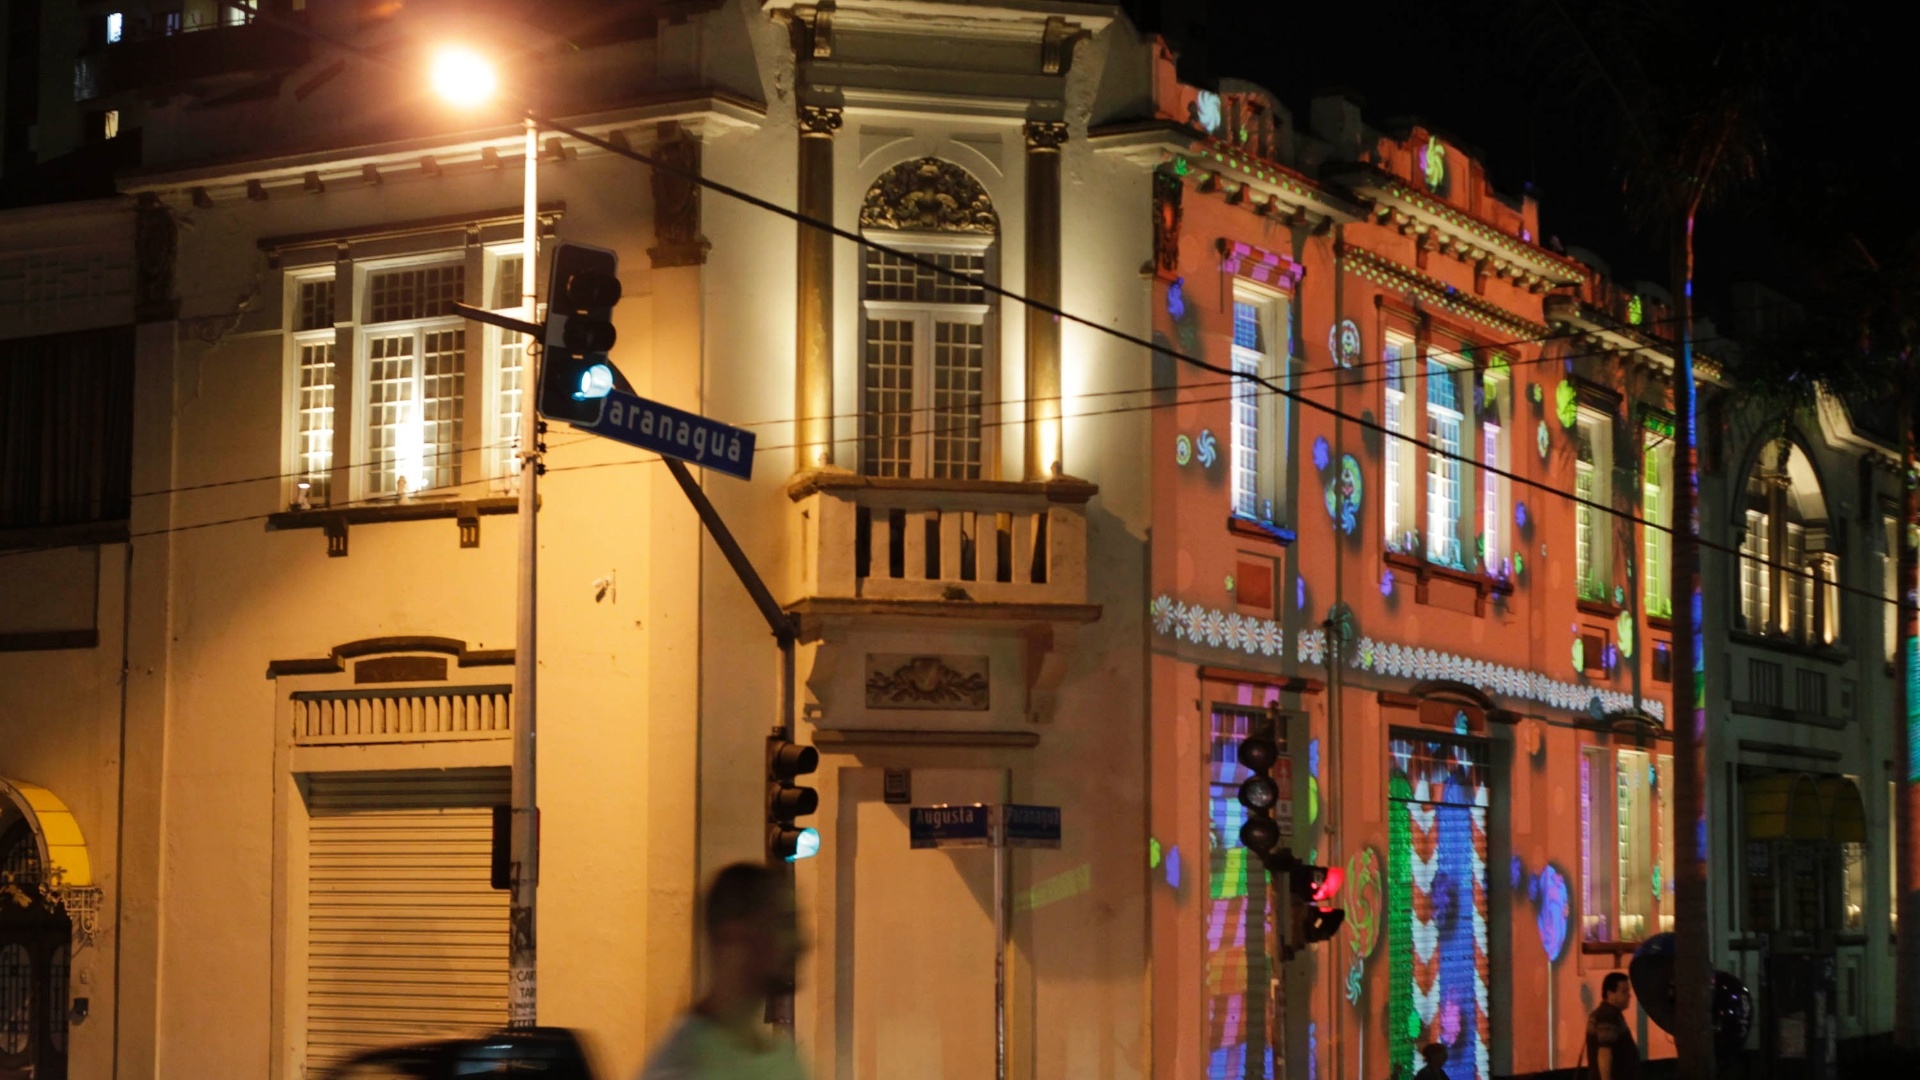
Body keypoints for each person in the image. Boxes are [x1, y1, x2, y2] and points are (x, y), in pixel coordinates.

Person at [639, 863, 808, 1080]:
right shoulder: (683, 1068)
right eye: (785, 924)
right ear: (733, 935)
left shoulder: (783, 1058)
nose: (802, 943)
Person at [1586, 972, 1640, 1080]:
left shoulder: (1607, 1014)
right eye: (1624, 991)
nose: (1629, 995)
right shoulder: (1607, 1016)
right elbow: (1604, 1052)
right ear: (1610, 994)